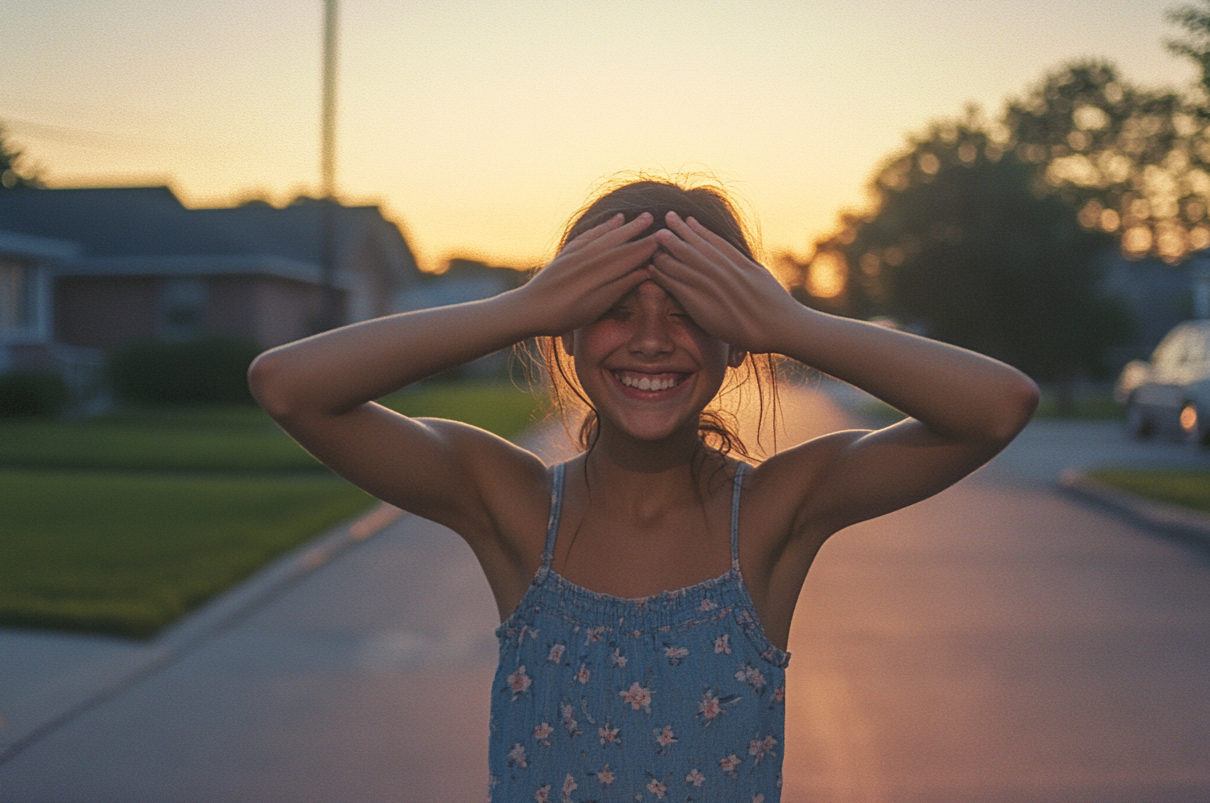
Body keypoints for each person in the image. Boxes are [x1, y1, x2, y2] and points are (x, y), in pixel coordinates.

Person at [249, 178, 1039, 801]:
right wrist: (526, 306)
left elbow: (998, 408)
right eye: (615, 310)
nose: (653, 339)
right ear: (568, 328)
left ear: (736, 339)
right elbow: (289, 385)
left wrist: (787, 321)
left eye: (692, 312)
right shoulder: (513, 505)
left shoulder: (773, 511)